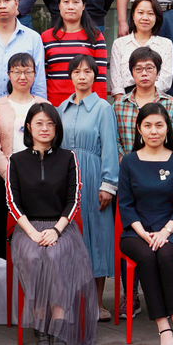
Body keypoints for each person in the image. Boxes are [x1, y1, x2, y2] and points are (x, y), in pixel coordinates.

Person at [7, 102, 96, 345]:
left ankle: (57, 330)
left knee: (57, 258)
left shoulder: (68, 158)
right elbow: (12, 202)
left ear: (57, 128)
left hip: (61, 227)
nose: (44, 128)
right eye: (39, 123)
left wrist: (56, 230)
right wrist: (33, 233)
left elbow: (74, 199)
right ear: (28, 128)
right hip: (28, 227)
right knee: (34, 257)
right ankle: (41, 329)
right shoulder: (16, 160)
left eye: (50, 123)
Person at [117, 102, 173, 345]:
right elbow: (125, 205)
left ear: (167, 128)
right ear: (139, 128)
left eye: (159, 125)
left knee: (166, 255)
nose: (154, 131)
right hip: (135, 232)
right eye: (148, 125)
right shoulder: (129, 161)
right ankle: (163, 328)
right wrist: (144, 233)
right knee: (148, 256)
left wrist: (165, 232)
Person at [58, 56, 120, 319]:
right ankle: (72, 300)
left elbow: (109, 147)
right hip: (66, 178)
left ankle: (97, 302)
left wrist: (108, 184)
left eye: (87, 71)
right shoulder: (61, 108)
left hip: (94, 175)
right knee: (72, 236)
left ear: (95, 76)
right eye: (77, 71)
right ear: (70, 76)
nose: (82, 75)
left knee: (97, 235)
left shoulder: (103, 108)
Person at [0, 53, 46, 260]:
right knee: (6, 230)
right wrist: (9, 174)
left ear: (34, 74)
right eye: (17, 71)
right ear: (9, 74)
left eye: (27, 71)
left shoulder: (43, 105)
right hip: (4, 178)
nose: (22, 76)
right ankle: (6, 285)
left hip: (38, 177)